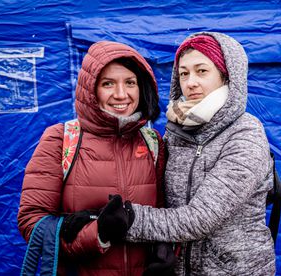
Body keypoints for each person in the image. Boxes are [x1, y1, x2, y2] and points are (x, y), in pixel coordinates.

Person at [108, 32, 277, 275]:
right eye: (184, 73)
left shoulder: (245, 134)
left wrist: (129, 219)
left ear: (226, 75)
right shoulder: (176, 131)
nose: (190, 82)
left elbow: (200, 218)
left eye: (202, 71)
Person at [17, 41, 172, 275]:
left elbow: (165, 214)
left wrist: (166, 252)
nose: (121, 94)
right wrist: (98, 234)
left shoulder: (152, 142)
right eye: (108, 83)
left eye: (130, 83)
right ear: (90, 89)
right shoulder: (61, 140)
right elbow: (33, 222)